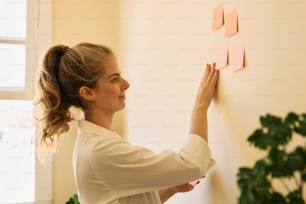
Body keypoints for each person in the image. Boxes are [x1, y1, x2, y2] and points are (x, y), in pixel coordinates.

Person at [36, 42, 219, 204]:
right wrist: (201, 106)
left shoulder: (97, 143)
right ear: (88, 93)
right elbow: (192, 165)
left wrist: (170, 188)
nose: (126, 84)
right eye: (114, 79)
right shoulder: (100, 150)